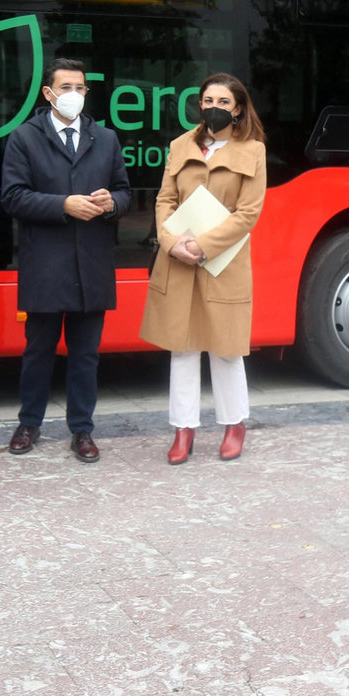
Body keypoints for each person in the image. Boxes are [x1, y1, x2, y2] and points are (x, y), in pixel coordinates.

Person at [0, 58, 131, 463]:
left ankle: (83, 431)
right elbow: (12, 197)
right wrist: (64, 205)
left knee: (85, 355)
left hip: (91, 264)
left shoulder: (105, 138)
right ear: (48, 93)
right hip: (46, 264)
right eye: (67, 87)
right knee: (38, 350)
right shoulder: (24, 137)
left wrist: (112, 204)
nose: (74, 94)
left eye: (81, 87)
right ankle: (29, 423)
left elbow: (125, 192)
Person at [139, 73, 267, 464]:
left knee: (226, 350)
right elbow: (164, 199)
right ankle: (183, 430)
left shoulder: (253, 151)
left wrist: (203, 244)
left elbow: (248, 214)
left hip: (223, 263)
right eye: (208, 100)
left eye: (223, 102)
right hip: (178, 262)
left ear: (238, 108)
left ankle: (234, 424)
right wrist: (170, 241)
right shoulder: (181, 145)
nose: (214, 108)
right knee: (183, 348)